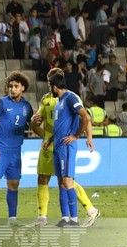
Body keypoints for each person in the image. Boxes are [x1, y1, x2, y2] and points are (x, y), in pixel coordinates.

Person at [30, 68, 100, 227]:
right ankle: (47, 217)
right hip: (50, 145)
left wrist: (86, 137)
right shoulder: (47, 100)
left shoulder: (70, 98)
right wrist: (36, 125)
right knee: (44, 178)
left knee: (68, 181)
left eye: (52, 82)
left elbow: (85, 118)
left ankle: (88, 210)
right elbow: (39, 123)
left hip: (65, 145)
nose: (50, 85)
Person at [0, 72, 33, 226]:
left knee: (14, 184)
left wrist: (47, 137)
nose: (12, 89)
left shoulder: (26, 106)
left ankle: (12, 219)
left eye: (16, 86)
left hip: (16, 151)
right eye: (10, 86)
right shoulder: (2, 103)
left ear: (22, 88)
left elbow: (33, 125)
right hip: (1, 148)